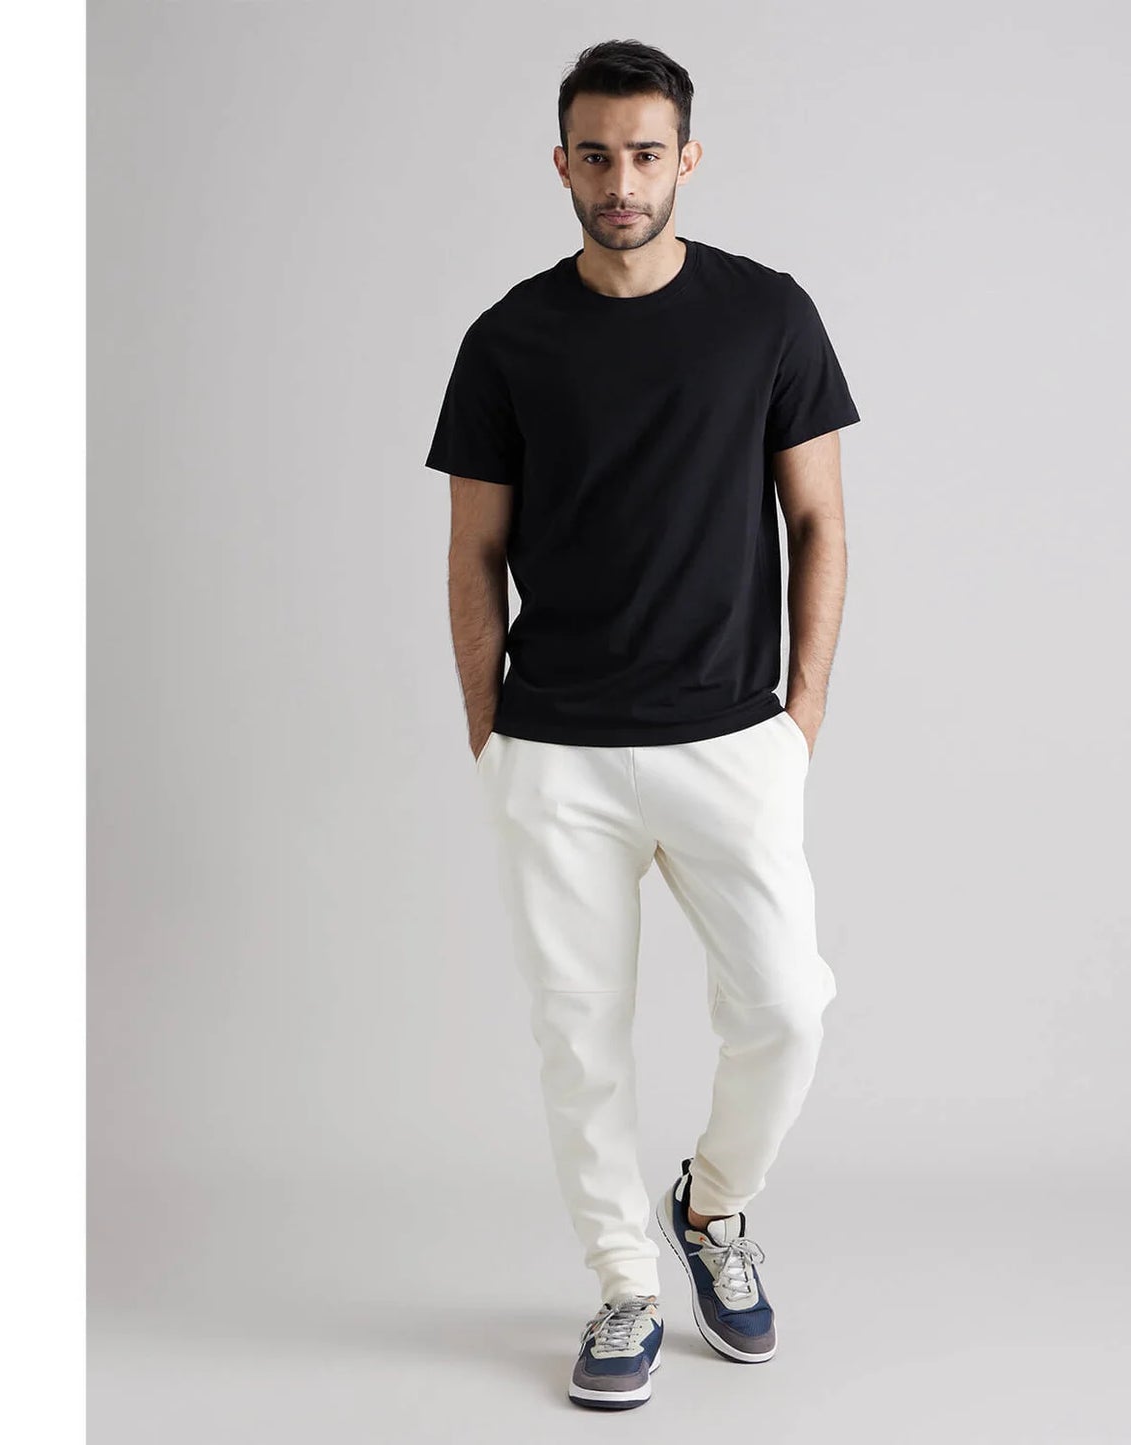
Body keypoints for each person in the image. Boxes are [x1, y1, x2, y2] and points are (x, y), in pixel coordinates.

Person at [424, 38, 860, 1411]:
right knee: (579, 1037)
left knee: (786, 1005)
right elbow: (471, 549)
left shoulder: (767, 316)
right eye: (597, 155)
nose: (622, 180)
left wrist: (798, 717)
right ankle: (623, 1282)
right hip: (555, 749)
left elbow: (819, 520)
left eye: (646, 153)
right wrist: (491, 728)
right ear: (561, 163)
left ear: (687, 159)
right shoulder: (508, 338)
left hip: (730, 738)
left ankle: (710, 1206)